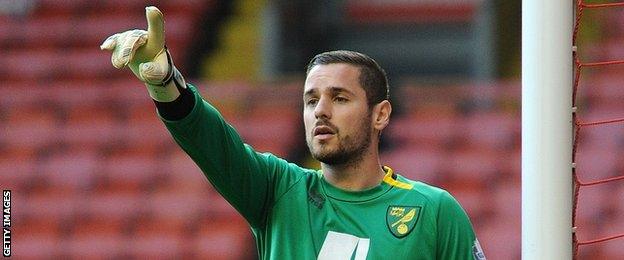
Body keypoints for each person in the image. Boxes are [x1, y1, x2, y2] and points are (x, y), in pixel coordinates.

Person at [101, 6, 486, 260]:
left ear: (380, 114)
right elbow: (210, 142)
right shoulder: (278, 190)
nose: (320, 110)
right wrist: (166, 83)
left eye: (340, 98)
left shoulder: (434, 212)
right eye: (311, 99)